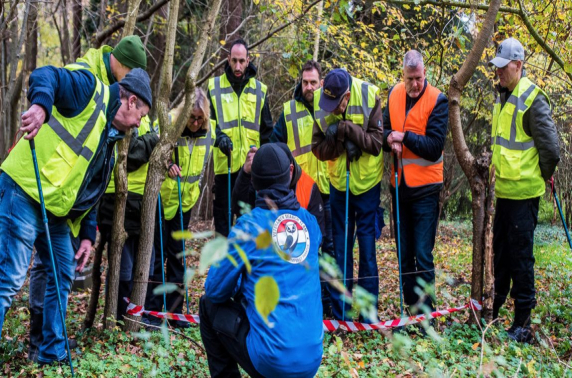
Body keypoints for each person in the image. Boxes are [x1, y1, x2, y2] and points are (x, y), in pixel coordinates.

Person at [0, 63, 152, 364]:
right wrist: (42, 107)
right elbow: (45, 75)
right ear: (131, 101)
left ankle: (51, 353)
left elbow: (89, 189)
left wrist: (85, 236)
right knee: (11, 277)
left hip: (55, 213)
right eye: (141, 117)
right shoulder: (89, 90)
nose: (138, 125)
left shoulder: (110, 139)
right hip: (24, 188)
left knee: (62, 275)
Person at [200, 143, 323, 378]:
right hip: (312, 358)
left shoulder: (248, 227)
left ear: (254, 183)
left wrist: (240, 284)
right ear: (289, 174)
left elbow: (215, 291)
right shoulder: (310, 223)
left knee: (208, 306)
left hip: (272, 360)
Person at [488, 38, 560, 343]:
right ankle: (495, 312)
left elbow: (552, 150)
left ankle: (523, 324)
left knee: (521, 259)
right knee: (502, 256)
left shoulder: (532, 98)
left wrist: (542, 176)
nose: (499, 73)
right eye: (498, 68)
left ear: (517, 65)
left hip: (524, 195)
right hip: (504, 193)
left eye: (504, 68)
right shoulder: (503, 95)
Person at [312, 68, 383, 322]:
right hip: (339, 185)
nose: (330, 109)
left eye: (336, 105)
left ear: (347, 96)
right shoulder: (322, 101)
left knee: (367, 250)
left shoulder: (369, 94)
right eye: (327, 103)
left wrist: (348, 130)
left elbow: (376, 144)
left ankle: (367, 313)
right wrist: (339, 139)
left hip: (367, 186)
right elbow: (318, 150)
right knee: (341, 250)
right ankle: (341, 314)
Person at [382, 50, 449, 316]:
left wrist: (404, 137)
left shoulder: (438, 100)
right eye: (410, 79)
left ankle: (426, 312)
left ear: (425, 73)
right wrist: (389, 139)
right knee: (404, 252)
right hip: (399, 187)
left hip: (426, 191)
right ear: (403, 75)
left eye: (419, 78)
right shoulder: (393, 94)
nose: (415, 84)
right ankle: (411, 306)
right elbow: (384, 130)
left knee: (422, 253)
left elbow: (434, 147)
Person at [144, 88, 214, 328]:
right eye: (191, 118)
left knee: (177, 256)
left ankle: (175, 313)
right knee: (157, 256)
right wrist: (168, 162)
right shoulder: (169, 123)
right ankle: (152, 312)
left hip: (185, 203)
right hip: (162, 200)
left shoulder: (209, 128)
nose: (195, 123)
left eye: (199, 119)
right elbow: (150, 149)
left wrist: (224, 142)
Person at [208, 38, 273, 237]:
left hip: (251, 171)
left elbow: (267, 132)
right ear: (228, 59)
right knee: (223, 228)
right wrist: (219, 138)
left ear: (248, 60)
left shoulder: (260, 90)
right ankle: (225, 267)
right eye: (234, 60)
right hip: (224, 168)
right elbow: (207, 125)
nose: (238, 66)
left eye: (242, 61)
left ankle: (248, 267)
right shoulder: (214, 87)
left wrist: (264, 163)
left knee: (250, 226)